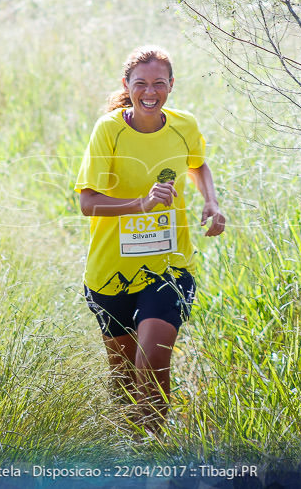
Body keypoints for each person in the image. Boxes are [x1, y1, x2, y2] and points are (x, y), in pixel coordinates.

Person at [75, 45, 226, 431]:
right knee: (124, 375)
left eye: (159, 83)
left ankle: (154, 455)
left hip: (170, 266)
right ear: (127, 85)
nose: (150, 91)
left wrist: (210, 201)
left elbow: (198, 163)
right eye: (140, 83)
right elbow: (88, 203)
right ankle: (127, 444)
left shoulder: (183, 125)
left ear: (171, 85)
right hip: (110, 271)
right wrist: (141, 203)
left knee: (153, 357)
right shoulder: (108, 130)